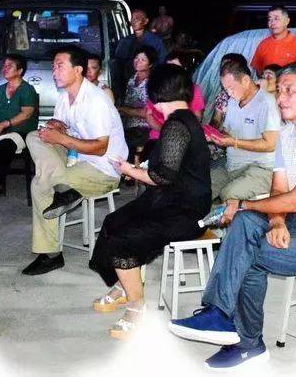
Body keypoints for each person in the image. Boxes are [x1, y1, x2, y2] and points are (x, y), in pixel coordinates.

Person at [169, 61, 296, 371]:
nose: (280, 98)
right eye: (279, 91)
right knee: (244, 224)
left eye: (290, 91)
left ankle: (246, 342)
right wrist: (277, 221)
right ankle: (220, 316)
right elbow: (279, 189)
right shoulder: (288, 134)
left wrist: (244, 204)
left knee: (248, 251)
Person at [89, 64, 211, 339]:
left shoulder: (176, 125)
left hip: (185, 210)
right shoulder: (184, 119)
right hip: (173, 200)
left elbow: (162, 176)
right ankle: (124, 284)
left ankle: (136, 306)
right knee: (113, 222)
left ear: (157, 93)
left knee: (124, 239)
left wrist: (128, 169)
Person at [22, 45, 127, 276]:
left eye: (60, 66)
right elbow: (63, 127)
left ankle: (51, 255)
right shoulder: (64, 97)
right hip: (77, 158)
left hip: (103, 168)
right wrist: (56, 127)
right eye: (53, 67)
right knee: (34, 137)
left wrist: (61, 138)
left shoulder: (96, 100)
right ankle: (63, 186)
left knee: (39, 185)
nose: (54, 71)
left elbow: (100, 148)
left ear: (78, 70)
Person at [208, 59, 280, 204]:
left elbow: (270, 144)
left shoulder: (266, 102)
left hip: (260, 169)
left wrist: (233, 142)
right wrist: (217, 137)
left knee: (228, 194)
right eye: (225, 89)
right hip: (232, 165)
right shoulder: (233, 101)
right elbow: (229, 131)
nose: (229, 93)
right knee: (202, 186)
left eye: (231, 88)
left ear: (246, 80)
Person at [0, 54, 39, 198]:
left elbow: (26, 114)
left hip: (20, 132)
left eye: (9, 66)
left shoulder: (27, 89)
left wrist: (5, 124)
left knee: (5, 146)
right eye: (4, 66)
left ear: (20, 70)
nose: (5, 68)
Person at [142, 50, 205, 159]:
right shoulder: (158, 88)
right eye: (168, 67)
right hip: (157, 136)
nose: (170, 71)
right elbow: (148, 114)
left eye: (175, 67)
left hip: (182, 138)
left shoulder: (193, 89)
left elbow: (197, 118)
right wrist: (165, 130)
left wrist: (174, 131)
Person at [112, 9, 166, 100]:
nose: (134, 21)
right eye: (132, 18)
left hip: (149, 83)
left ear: (145, 21)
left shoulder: (155, 41)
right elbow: (118, 64)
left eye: (137, 18)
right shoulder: (125, 41)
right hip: (128, 83)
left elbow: (161, 63)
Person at [209, 54, 251, 168]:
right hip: (223, 139)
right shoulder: (223, 96)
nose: (224, 69)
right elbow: (216, 119)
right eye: (222, 66)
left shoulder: (252, 94)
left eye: (228, 66)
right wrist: (210, 131)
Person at [117, 47, 157, 162]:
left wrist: (122, 109)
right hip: (129, 126)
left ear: (150, 64)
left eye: (143, 59)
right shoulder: (132, 78)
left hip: (144, 129)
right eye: (136, 58)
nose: (137, 61)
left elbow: (146, 112)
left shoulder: (152, 83)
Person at [250, 5, 296, 76]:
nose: (272, 23)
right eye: (270, 19)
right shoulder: (263, 44)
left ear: (287, 21)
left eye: (276, 19)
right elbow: (259, 71)